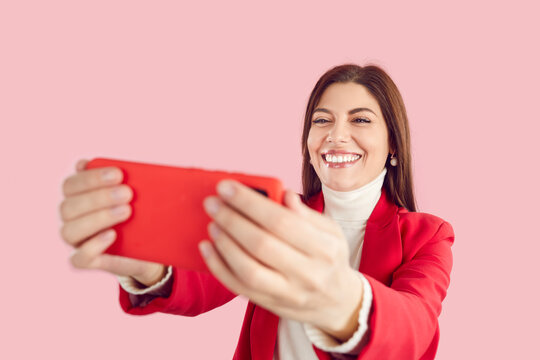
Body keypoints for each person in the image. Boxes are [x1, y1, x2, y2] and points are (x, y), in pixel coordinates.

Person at [59, 63, 454, 359]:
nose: (336, 135)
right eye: (322, 120)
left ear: (394, 147)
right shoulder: (281, 214)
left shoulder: (428, 235)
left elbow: (415, 325)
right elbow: (208, 275)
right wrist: (146, 266)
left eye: (361, 120)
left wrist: (338, 299)